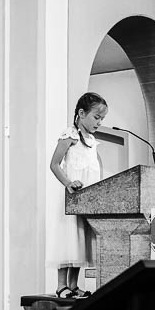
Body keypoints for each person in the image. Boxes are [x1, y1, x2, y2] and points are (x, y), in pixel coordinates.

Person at [47, 91, 108, 297]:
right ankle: (61, 285)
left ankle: (73, 285)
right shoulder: (69, 136)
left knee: (80, 240)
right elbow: (54, 164)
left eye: (102, 119)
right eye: (96, 117)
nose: (99, 123)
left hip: (88, 201)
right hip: (73, 197)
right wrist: (68, 182)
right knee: (69, 237)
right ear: (81, 113)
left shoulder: (91, 141)